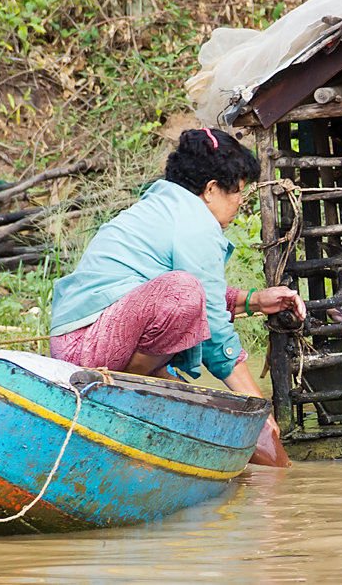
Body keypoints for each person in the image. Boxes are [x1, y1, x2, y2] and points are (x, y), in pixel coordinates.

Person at [48, 127, 305, 466]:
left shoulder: (166, 207)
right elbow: (204, 318)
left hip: (88, 336)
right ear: (211, 190)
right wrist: (260, 413)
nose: (241, 202)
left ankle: (148, 381)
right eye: (239, 192)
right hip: (90, 345)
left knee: (185, 291)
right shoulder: (195, 224)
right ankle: (135, 383)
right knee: (183, 291)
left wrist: (254, 300)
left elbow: (192, 296)